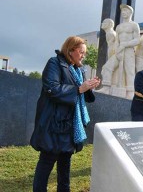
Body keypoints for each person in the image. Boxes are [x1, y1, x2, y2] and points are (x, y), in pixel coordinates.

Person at [30, 36, 100, 191]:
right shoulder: (54, 63)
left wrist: (89, 86)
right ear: (70, 50)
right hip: (53, 123)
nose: (83, 56)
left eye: (84, 53)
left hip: (70, 123)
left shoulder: (78, 69)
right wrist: (79, 88)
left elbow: (82, 94)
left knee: (65, 164)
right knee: (47, 161)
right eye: (81, 52)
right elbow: (52, 89)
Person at [115, 4, 140, 94]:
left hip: (129, 50)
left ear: (130, 13)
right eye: (122, 11)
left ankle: (130, 92)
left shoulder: (134, 25)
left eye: (126, 11)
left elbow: (137, 40)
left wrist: (125, 44)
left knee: (129, 70)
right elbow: (116, 41)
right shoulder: (119, 27)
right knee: (115, 70)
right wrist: (117, 51)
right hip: (119, 50)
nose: (123, 12)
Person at [100, 18, 119, 92]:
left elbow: (112, 48)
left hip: (116, 54)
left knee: (106, 68)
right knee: (106, 68)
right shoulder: (110, 33)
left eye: (104, 22)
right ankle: (109, 87)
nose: (102, 23)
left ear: (110, 25)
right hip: (116, 54)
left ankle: (106, 88)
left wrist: (110, 58)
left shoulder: (110, 33)